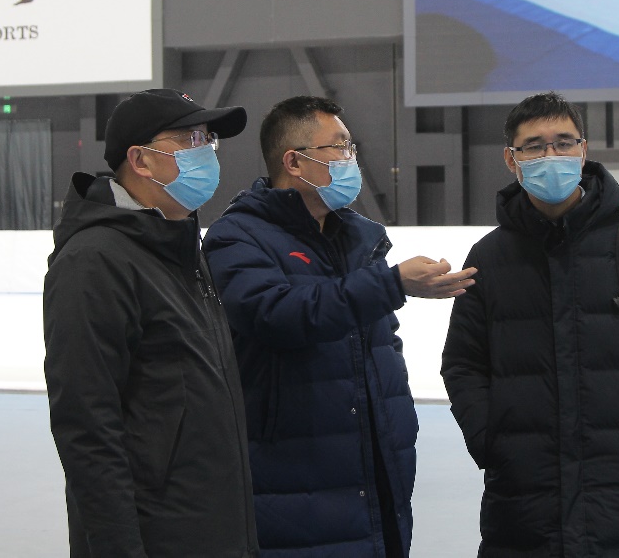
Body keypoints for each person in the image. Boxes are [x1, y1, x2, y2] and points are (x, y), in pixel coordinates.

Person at [203, 95, 477, 558]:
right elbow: (276, 314)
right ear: (294, 162)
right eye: (340, 146)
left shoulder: (359, 239)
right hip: (294, 480)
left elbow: (380, 346)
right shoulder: (237, 238)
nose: (352, 158)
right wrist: (391, 284)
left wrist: (398, 431)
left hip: (376, 470)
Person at [441, 92, 619, 558]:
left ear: (583, 151)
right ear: (511, 159)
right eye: (534, 146)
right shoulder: (488, 258)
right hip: (524, 497)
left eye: (564, 142)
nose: (551, 155)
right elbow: (463, 363)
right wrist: (491, 440)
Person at [43, 88, 259, 558]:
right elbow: (88, 429)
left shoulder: (178, 246)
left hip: (212, 529)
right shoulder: (94, 261)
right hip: (159, 537)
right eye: (189, 138)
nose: (206, 151)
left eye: (208, 138)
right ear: (140, 160)